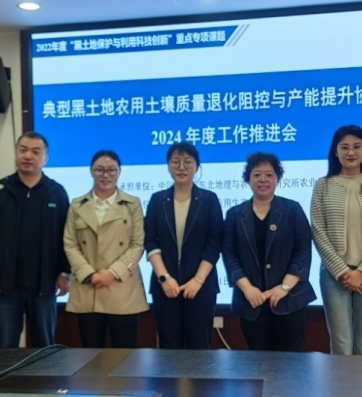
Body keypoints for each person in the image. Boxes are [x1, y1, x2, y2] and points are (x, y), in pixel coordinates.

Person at [0, 131, 70, 348]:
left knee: (44, 348)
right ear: (15, 154)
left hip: (45, 284)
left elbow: (67, 238)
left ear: (46, 158)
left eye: (36, 152)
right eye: (23, 150)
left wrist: (65, 272)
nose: (28, 156)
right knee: (6, 348)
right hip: (5, 284)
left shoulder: (56, 192)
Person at [222, 152, 316, 351]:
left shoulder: (292, 210)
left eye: (269, 174)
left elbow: (303, 252)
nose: (262, 179)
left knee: (290, 361)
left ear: (277, 178)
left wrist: (284, 287)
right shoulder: (235, 215)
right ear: (248, 179)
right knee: (258, 362)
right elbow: (229, 254)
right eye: (256, 175)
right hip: (251, 302)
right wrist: (247, 288)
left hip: (290, 300)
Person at [311, 126, 362, 356]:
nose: (351, 152)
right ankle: (342, 383)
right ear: (335, 152)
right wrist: (343, 272)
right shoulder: (323, 186)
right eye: (344, 147)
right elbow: (318, 231)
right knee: (341, 344)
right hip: (334, 276)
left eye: (357, 146)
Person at [63, 151, 148, 348]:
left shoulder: (132, 203)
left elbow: (138, 244)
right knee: (91, 355)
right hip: (88, 286)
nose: (105, 175)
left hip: (122, 288)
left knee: (125, 356)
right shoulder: (77, 205)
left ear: (119, 172)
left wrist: (112, 273)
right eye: (100, 170)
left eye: (111, 170)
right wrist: (88, 273)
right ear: (91, 171)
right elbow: (70, 243)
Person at [144, 143, 223, 349]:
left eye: (188, 162)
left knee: (199, 347)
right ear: (168, 166)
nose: (181, 167)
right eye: (175, 162)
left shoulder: (209, 200)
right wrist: (164, 278)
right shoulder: (157, 200)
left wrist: (198, 280)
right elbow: (150, 241)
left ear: (197, 166)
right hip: (165, 288)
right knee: (169, 348)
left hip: (201, 288)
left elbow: (214, 243)